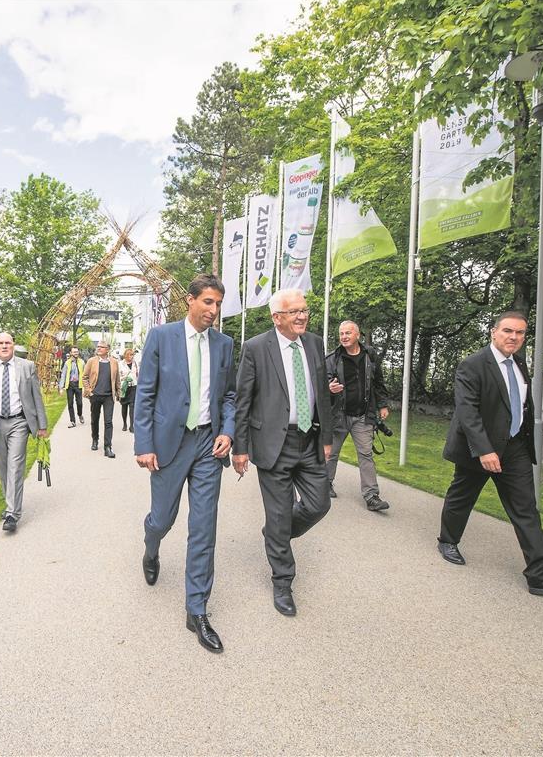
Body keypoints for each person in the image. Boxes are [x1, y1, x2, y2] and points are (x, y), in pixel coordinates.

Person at [437, 311, 543, 597]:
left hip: (515, 447)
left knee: (525, 508)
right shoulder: (473, 365)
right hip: (477, 449)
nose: (513, 337)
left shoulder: (519, 363)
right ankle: (447, 540)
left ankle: (540, 574)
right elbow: (467, 412)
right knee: (461, 498)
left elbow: (519, 405)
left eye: (519, 333)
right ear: (494, 332)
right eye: (507, 331)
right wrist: (485, 450)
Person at [134, 274, 236, 653]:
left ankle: (197, 610)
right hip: (168, 444)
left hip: (209, 444)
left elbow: (229, 396)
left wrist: (228, 430)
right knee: (163, 518)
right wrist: (144, 445)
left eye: (218, 305)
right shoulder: (162, 338)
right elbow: (145, 393)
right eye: (208, 302)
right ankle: (151, 546)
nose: (213, 311)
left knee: (203, 527)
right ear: (190, 301)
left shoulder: (225, 345)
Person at [233, 288, 334, 617]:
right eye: (294, 312)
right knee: (278, 514)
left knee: (319, 504)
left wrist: (328, 436)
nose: (302, 316)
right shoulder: (256, 348)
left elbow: (322, 393)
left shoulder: (315, 343)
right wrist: (241, 447)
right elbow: (243, 400)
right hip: (273, 444)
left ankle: (276, 534)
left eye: (304, 310)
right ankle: (283, 580)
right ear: (277, 318)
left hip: (310, 441)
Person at [0, 332, 48, 534]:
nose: (4, 346)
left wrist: (42, 425)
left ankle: (13, 513)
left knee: (15, 465)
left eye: (8, 342)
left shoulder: (26, 366)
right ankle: (10, 503)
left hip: (19, 422)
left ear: (13, 345)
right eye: (0, 343)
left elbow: (36, 397)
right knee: (3, 467)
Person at [325, 320, 391, 511]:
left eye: (347, 333)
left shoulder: (370, 355)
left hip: (363, 415)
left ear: (357, 335)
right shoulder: (333, 358)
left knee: (366, 454)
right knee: (332, 453)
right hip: (338, 415)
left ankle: (371, 496)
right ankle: (325, 485)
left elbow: (378, 381)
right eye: (341, 334)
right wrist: (328, 388)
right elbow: (320, 383)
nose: (344, 337)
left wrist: (382, 404)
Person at [82, 340, 120, 458]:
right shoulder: (91, 361)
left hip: (109, 396)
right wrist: (89, 391)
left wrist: (119, 392)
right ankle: (95, 439)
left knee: (108, 422)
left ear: (107, 349)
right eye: (98, 347)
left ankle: (107, 447)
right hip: (95, 395)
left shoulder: (114, 362)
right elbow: (84, 377)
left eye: (101, 347)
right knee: (95, 419)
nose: (98, 348)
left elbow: (117, 379)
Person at [57, 346, 85, 428]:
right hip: (69, 385)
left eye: (77, 351)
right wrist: (61, 387)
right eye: (74, 352)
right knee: (70, 403)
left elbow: (85, 374)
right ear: (71, 353)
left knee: (79, 403)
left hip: (78, 385)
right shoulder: (67, 363)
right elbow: (63, 375)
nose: (76, 353)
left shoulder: (82, 362)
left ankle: (80, 415)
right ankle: (72, 421)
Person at [119, 349, 138, 432]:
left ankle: (131, 425)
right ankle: (124, 424)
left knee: (132, 406)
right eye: (130, 355)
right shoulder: (120, 364)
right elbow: (117, 377)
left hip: (133, 386)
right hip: (124, 387)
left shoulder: (135, 363)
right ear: (126, 355)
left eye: (132, 355)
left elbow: (138, 374)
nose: (132, 356)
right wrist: (124, 378)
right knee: (124, 406)